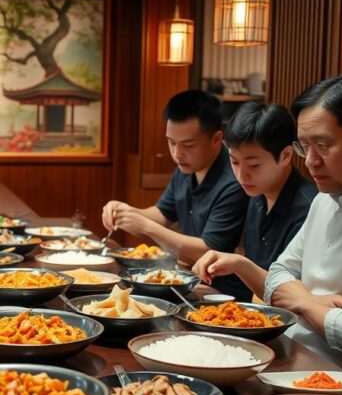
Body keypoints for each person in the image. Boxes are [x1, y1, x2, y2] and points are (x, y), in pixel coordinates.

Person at [262, 74, 342, 374]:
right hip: (286, 353)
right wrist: (315, 301)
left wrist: (302, 304)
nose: (310, 161)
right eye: (304, 146)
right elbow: (276, 275)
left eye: (323, 145)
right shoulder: (324, 198)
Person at [102, 90, 249, 300]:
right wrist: (126, 212)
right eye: (171, 142)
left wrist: (146, 226)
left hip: (221, 292)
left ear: (217, 139)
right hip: (188, 278)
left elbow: (207, 251)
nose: (177, 154)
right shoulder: (186, 167)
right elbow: (162, 213)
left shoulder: (233, 181)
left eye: (188, 145)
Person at [191, 102, 317, 296]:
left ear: (285, 155)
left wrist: (240, 265)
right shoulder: (255, 194)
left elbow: (294, 295)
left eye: (254, 165)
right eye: (234, 162)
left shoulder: (309, 207)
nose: (242, 175)